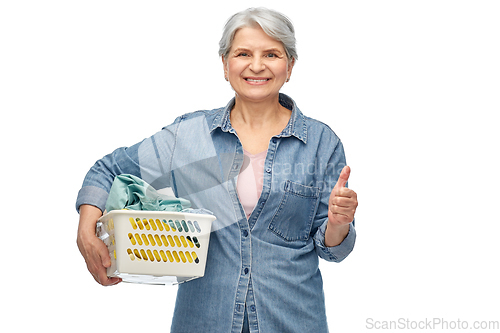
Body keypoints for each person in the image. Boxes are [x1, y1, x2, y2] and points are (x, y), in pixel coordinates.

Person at [76, 7, 358, 333]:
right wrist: (86, 230)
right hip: (204, 321)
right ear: (225, 65)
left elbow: (333, 249)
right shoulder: (191, 135)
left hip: (293, 320)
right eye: (243, 53)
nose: (256, 65)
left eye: (271, 54)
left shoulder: (322, 142)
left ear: (290, 65)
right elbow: (107, 170)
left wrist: (338, 224)